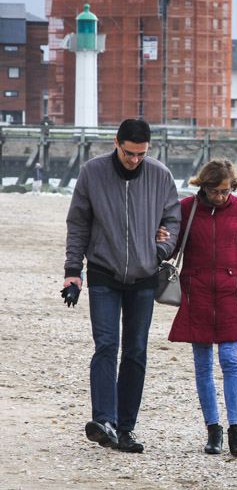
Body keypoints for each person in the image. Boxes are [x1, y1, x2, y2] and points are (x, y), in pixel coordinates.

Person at [64, 119, 181, 453]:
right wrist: (73, 270)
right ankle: (104, 422)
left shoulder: (160, 175)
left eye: (141, 154)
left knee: (136, 351)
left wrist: (158, 249)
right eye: (129, 153)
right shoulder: (92, 172)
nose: (135, 160)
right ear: (116, 143)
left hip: (144, 277)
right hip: (103, 272)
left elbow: (172, 220)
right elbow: (78, 223)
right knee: (105, 345)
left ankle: (126, 428)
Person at [167, 159, 237, 456]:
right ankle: (213, 430)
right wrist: (159, 239)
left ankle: (236, 431)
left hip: (232, 296)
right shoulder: (186, 209)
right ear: (203, 186)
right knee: (203, 365)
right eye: (216, 191)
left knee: (230, 360)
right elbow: (170, 250)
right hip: (196, 295)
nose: (221, 196)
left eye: (226, 191)